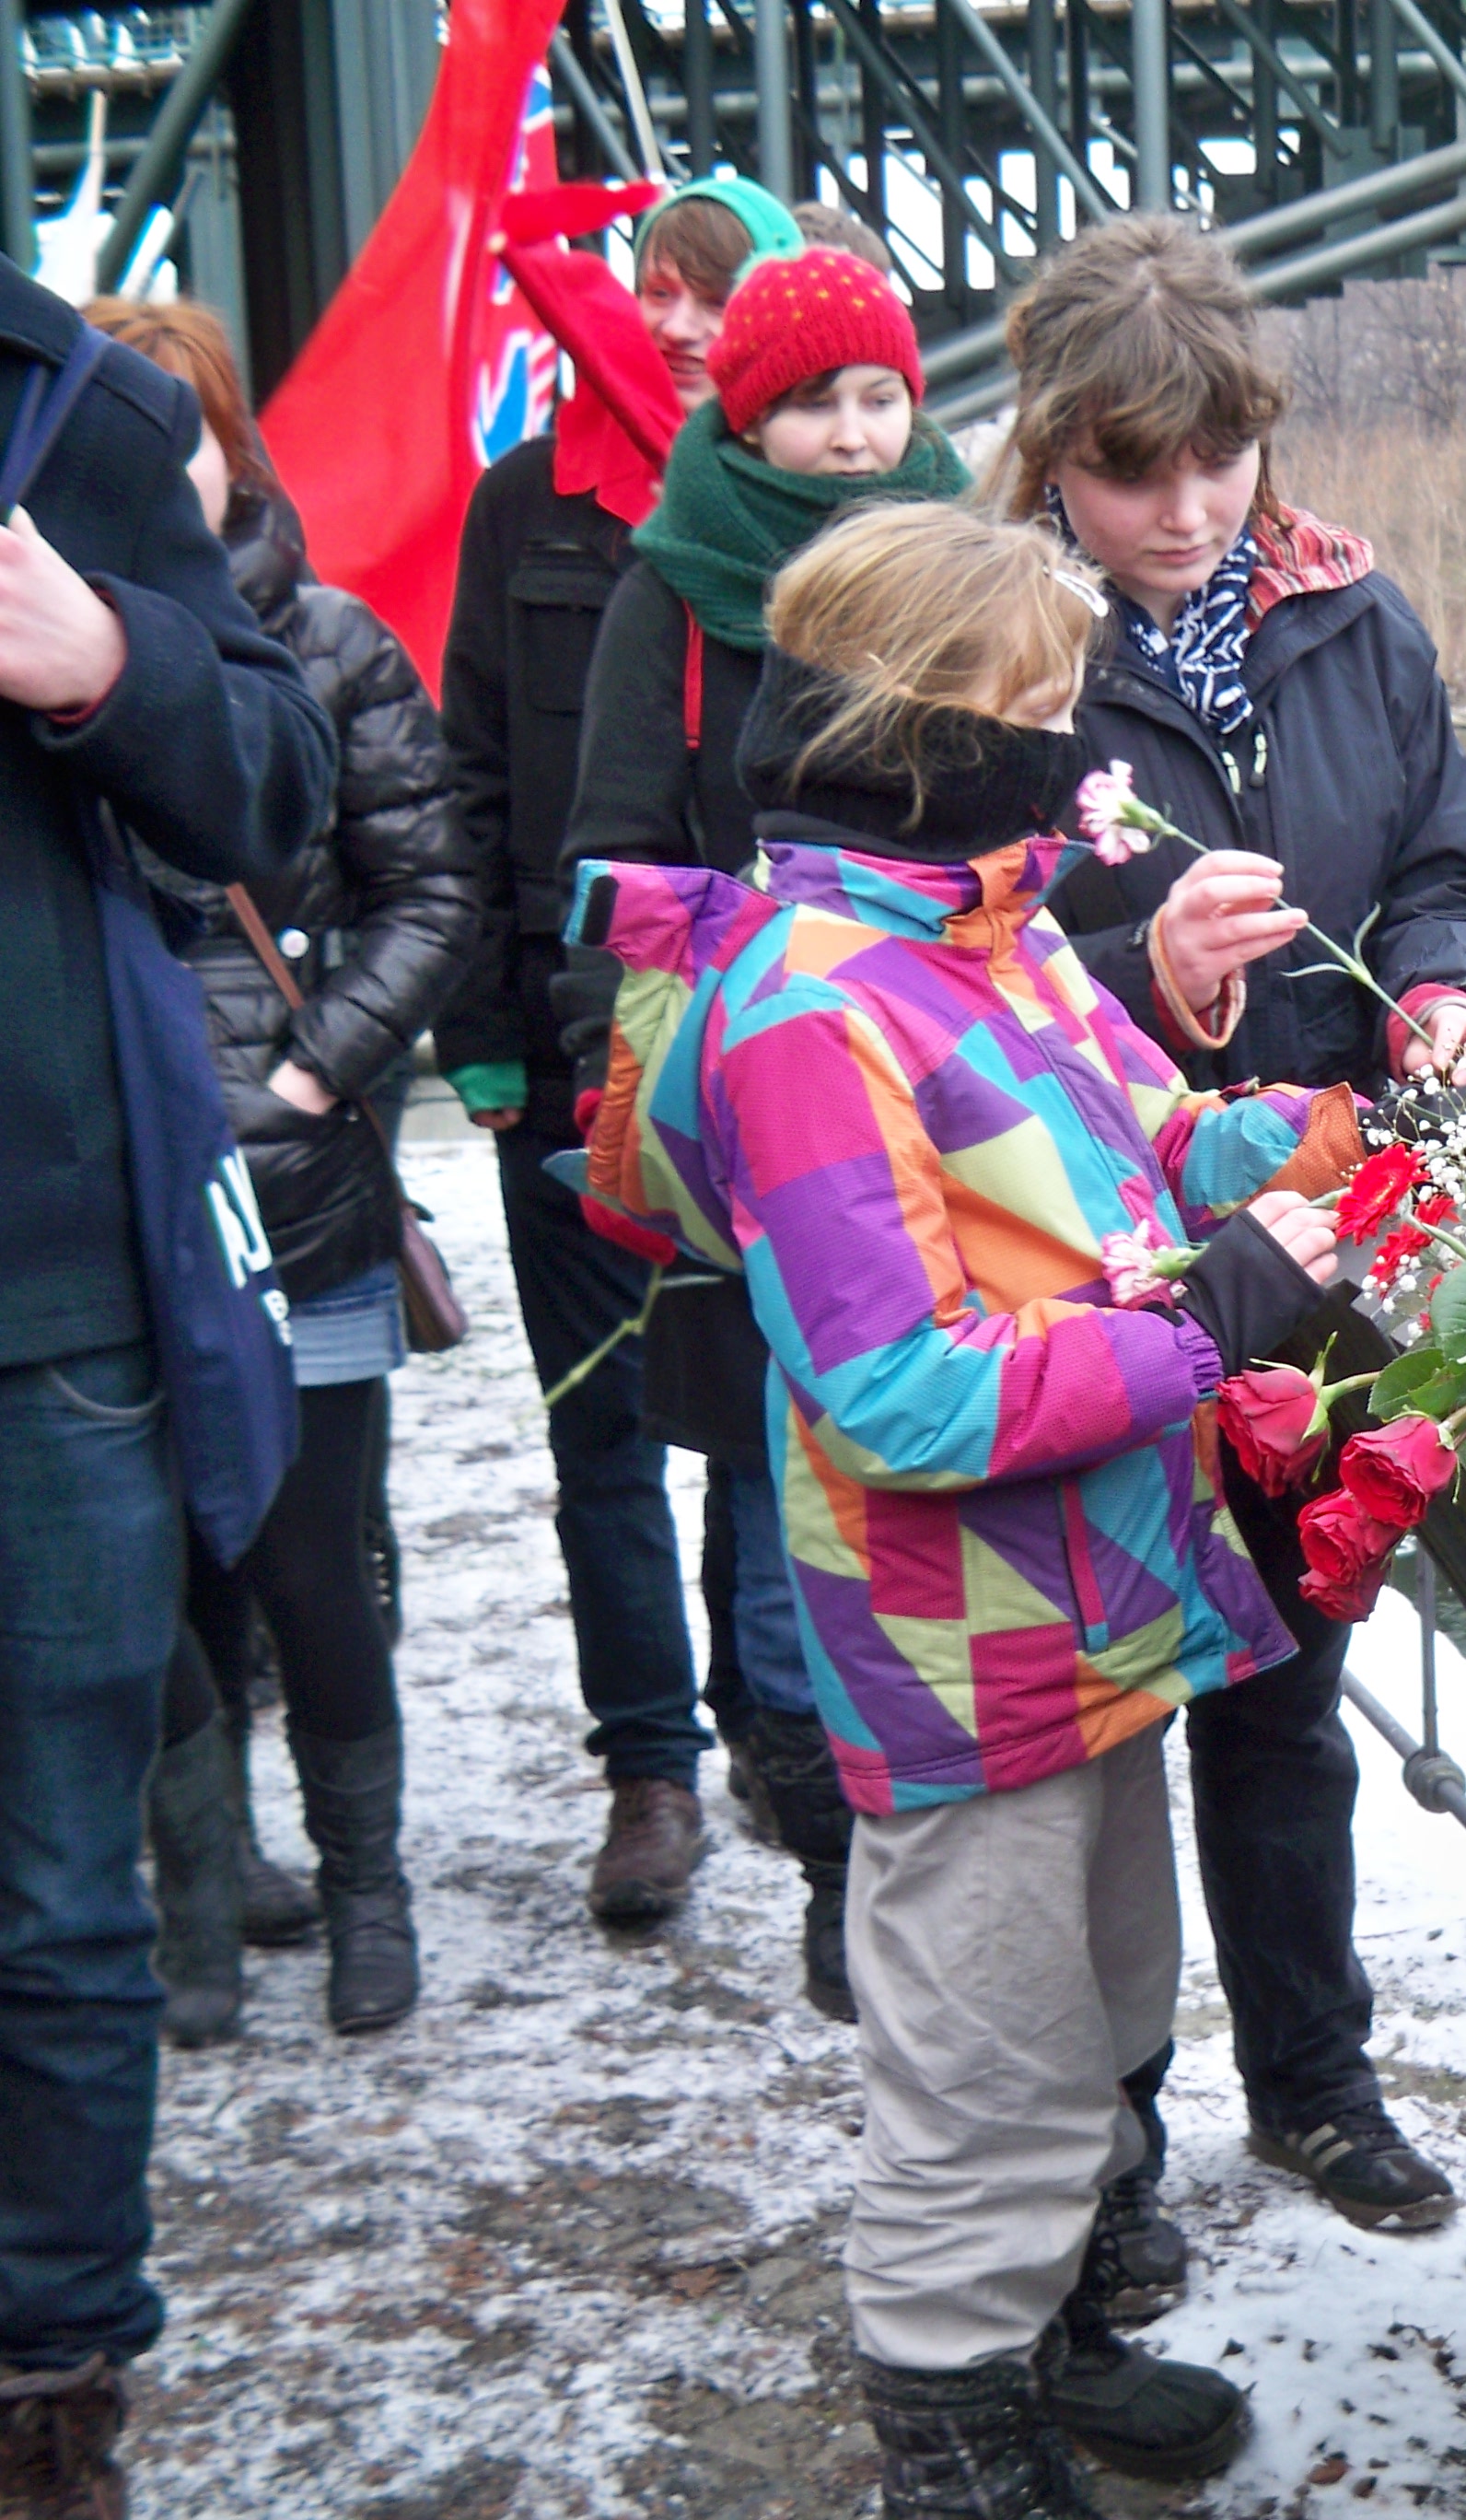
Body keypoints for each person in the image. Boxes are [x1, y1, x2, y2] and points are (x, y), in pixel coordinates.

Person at [575, 501, 1358, 2508]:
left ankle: (1066, 2333)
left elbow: (1154, 1145)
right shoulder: (816, 1010)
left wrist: (1351, 1136)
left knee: (1095, 2008)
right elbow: (898, 1390)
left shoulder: (990, 935)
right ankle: (952, 2424)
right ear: (917, 734)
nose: (1065, 750)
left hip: (1104, 1595)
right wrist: (1213, 1334)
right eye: (1033, 709)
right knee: (979, 2067)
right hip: (964, 1636)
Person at [996, 216, 1466, 2282]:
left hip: (1322, 1237)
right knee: (1105, 1718)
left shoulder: (1353, 617)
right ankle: (1106, 2160)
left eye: (1218, 461)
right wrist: (1142, 969)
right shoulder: (1000, 649)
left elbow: (1444, 864)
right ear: (1053, 452)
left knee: (1287, 1688)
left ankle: (1314, 2085)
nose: (1188, 511)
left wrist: (1450, 992)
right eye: (1137, 471)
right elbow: (944, 971)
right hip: (1099, 1258)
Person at [0, 261, 336, 2514]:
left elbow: (282, 778)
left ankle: (47, 2387)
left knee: (50, 1886)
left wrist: (104, 663)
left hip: (47, 1309)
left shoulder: (68, 413)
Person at [560, 242, 972, 2018]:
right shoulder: (674, 594)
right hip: (774, 1101)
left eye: (882, 392)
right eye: (818, 399)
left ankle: (938, 1819)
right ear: (750, 410)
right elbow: (611, 858)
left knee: (948, 1475)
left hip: (965, 1096)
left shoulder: (972, 560)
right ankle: (834, 1855)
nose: (859, 431)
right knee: (785, 1494)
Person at [87, 298, 479, 2045]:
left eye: (169, 429)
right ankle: (201, 1896)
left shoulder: (323, 643)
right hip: (106, 1213)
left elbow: (432, 886)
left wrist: (321, 1068)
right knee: (155, 1573)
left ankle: (364, 1889)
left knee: (317, 1564)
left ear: (229, 448)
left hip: (294, 1206)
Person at [438, 178, 812, 1935]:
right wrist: (492, 1044)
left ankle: (764, 1716)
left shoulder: (811, 521)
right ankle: (647, 1770)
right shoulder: (527, 510)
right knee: (600, 1427)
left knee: (757, 1412)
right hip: (581, 1037)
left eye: (710, 293)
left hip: (777, 1056)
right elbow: (472, 783)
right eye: (651, 285)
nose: (670, 320)